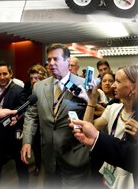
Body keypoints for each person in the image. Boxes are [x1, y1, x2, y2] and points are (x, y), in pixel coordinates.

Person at [21, 43, 91, 186]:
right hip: (49, 157)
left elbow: (96, 116)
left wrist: (89, 99)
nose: (51, 63)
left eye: (56, 59)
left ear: (68, 61)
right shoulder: (39, 87)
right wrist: (27, 140)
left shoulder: (85, 85)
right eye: (49, 60)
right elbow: (31, 115)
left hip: (75, 155)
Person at [83, 65, 138, 188]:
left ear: (134, 87)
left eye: (118, 81)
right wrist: (92, 100)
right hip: (112, 171)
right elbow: (88, 127)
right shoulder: (113, 109)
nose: (112, 85)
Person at [0, 61, 28, 186]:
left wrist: (17, 118)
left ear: (11, 73)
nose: (2, 77)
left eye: (5, 74)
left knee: (20, 164)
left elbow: (25, 110)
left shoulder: (19, 90)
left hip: (14, 132)